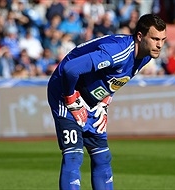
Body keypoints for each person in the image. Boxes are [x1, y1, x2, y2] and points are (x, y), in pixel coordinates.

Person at [47, 13, 167, 190]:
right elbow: (70, 69)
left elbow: (113, 79)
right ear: (140, 37)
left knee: (102, 157)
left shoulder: (147, 54)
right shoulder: (117, 52)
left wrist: (104, 103)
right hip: (64, 90)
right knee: (74, 155)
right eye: (155, 39)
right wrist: (71, 99)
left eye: (163, 39)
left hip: (92, 100)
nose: (160, 45)